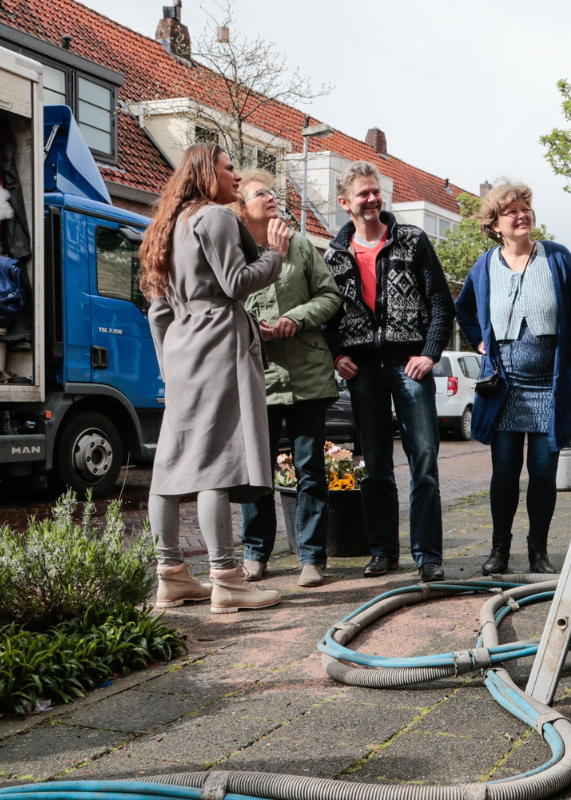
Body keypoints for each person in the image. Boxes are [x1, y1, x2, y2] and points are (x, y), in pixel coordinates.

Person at [139, 142, 289, 614]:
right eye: (229, 171)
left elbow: (157, 310)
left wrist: (171, 366)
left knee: (169, 465)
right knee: (218, 463)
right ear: (207, 173)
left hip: (182, 349)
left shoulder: (169, 226)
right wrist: (273, 254)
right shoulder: (217, 218)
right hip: (218, 344)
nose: (237, 180)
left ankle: (171, 577)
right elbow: (237, 282)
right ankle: (227, 579)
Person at [322, 161, 455, 582]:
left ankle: (428, 555)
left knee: (424, 459)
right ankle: (382, 551)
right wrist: (335, 354)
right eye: (363, 193)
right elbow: (328, 314)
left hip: (408, 365)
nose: (372, 199)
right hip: (363, 371)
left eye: (375, 191)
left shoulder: (412, 240)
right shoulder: (334, 255)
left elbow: (441, 302)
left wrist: (430, 353)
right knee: (376, 464)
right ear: (346, 203)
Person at [455, 182, 571, 575]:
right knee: (504, 470)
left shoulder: (558, 258)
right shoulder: (484, 266)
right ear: (494, 224)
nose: (521, 215)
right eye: (511, 211)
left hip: (549, 383)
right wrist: (480, 342)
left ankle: (539, 552)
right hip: (505, 384)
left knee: (545, 471)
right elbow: (463, 309)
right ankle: (499, 549)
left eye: (525, 208)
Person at [234, 170, 343, 588]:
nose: (271, 197)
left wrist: (295, 319)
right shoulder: (235, 249)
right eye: (260, 193)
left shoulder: (300, 244)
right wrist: (250, 325)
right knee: (254, 472)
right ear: (243, 207)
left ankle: (312, 558)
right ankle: (255, 553)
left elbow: (330, 296)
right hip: (257, 377)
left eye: (273, 192)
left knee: (310, 468)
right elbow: (224, 300)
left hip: (306, 376)